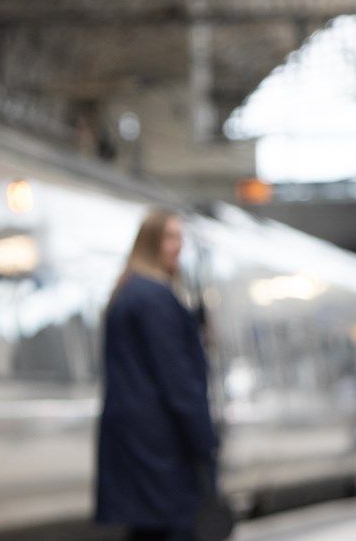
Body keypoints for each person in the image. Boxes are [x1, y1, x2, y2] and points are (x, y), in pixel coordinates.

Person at [96, 209, 219, 541]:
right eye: (169, 237)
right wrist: (205, 440)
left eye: (179, 238)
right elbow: (177, 378)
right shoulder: (155, 298)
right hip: (162, 448)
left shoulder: (126, 292)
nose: (177, 246)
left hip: (136, 444)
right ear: (150, 242)